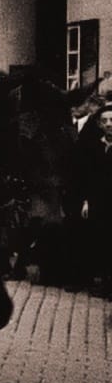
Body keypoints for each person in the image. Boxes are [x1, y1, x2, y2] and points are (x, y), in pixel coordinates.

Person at [77, 104, 112, 298]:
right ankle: (105, 282)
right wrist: (86, 202)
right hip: (99, 201)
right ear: (99, 124)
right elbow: (88, 177)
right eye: (105, 121)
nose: (109, 124)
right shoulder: (94, 147)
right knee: (102, 240)